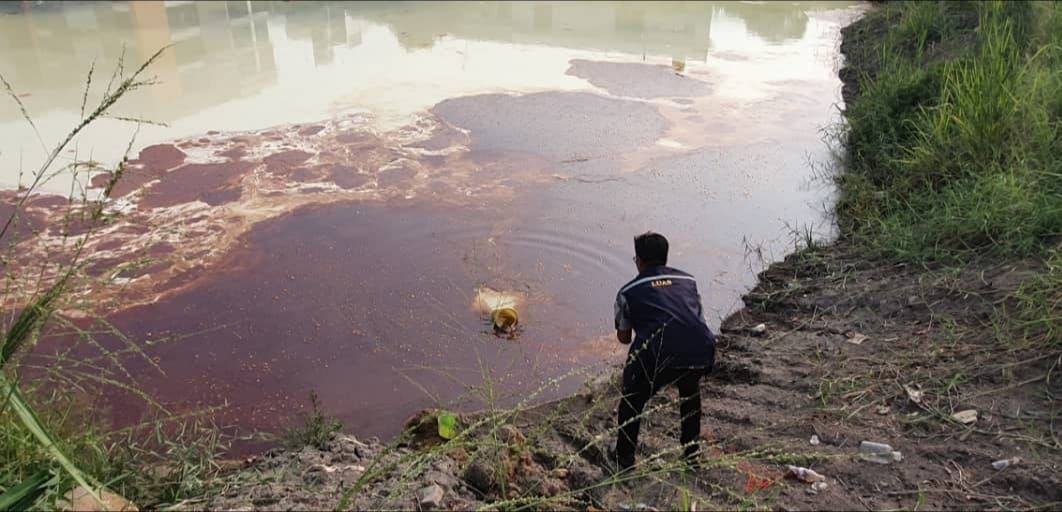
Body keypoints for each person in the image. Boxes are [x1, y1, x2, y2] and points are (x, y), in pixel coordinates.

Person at [613, 232, 716, 471]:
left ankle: (624, 459)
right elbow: (695, 319)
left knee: (632, 399)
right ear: (665, 258)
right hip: (700, 351)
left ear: (639, 260)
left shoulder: (627, 292)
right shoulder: (689, 281)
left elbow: (624, 338)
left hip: (656, 356)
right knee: (690, 392)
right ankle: (691, 453)